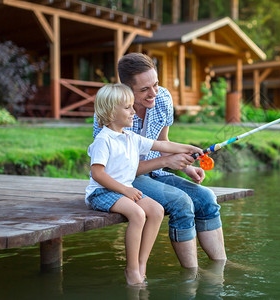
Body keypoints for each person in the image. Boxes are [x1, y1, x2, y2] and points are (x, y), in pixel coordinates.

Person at [93, 53, 227, 269]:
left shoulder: (162, 98)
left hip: (155, 172)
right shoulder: (111, 113)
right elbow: (116, 169)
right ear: (126, 89)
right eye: (144, 89)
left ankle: (221, 266)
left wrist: (186, 166)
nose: (153, 93)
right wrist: (169, 161)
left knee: (206, 198)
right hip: (125, 179)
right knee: (181, 203)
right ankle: (192, 274)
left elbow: (163, 142)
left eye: (155, 84)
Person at [86, 83, 203, 285]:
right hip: (103, 192)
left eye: (132, 106)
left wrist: (190, 147)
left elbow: (162, 145)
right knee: (138, 214)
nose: (134, 112)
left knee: (156, 210)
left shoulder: (131, 137)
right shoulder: (104, 140)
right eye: (128, 108)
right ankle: (131, 270)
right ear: (111, 111)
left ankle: (142, 265)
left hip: (124, 191)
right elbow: (97, 173)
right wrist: (125, 189)